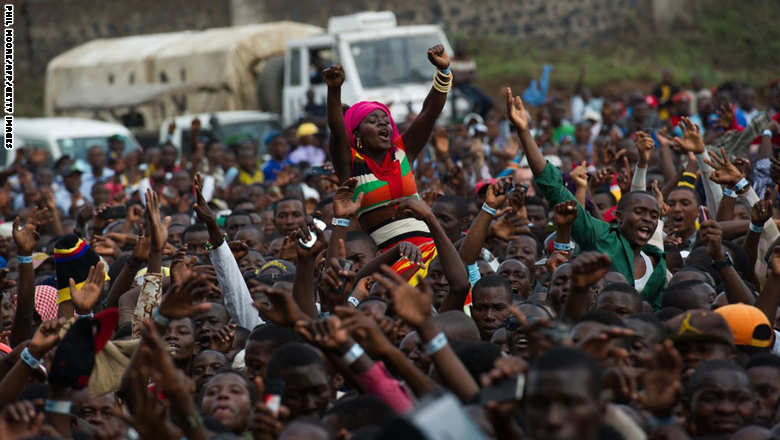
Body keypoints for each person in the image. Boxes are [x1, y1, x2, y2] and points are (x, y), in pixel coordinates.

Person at [324, 44, 452, 283]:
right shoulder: (351, 164)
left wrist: (443, 72)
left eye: (385, 119)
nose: (383, 124)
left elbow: (429, 112)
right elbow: (337, 132)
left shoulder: (403, 152)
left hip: (433, 254)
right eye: (373, 121)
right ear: (357, 133)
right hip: (390, 262)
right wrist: (334, 90)